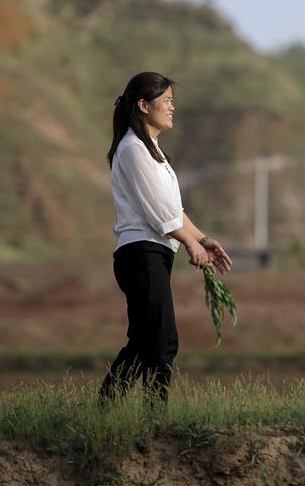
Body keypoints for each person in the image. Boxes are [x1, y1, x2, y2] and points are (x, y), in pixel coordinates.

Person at [99, 71, 233, 409]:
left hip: (153, 253)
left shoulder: (152, 151)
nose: (173, 108)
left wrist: (204, 239)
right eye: (167, 101)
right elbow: (161, 214)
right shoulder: (132, 149)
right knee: (161, 341)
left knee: (146, 341)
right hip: (141, 253)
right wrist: (190, 244)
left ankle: (106, 410)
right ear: (144, 105)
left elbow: (174, 210)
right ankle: (153, 418)